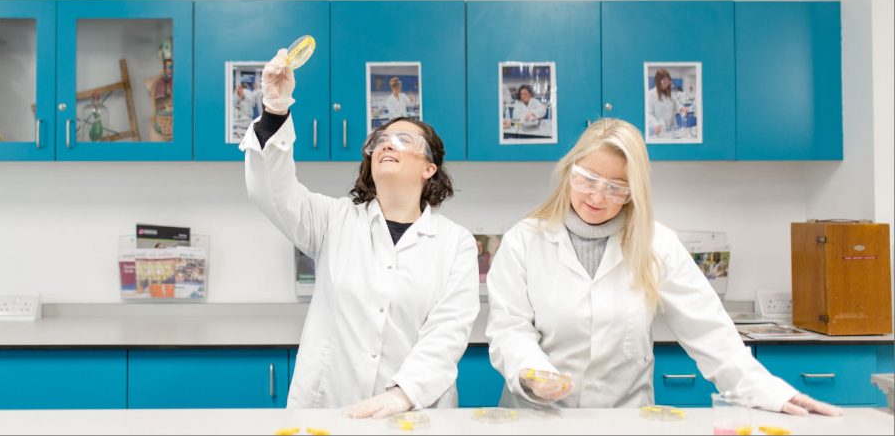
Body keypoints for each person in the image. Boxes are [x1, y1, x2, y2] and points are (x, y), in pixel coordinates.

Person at [484, 118, 841, 416]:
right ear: (568, 172)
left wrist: (772, 393)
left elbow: (711, 332)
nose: (596, 197)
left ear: (634, 191)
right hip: (539, 419)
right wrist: (536, 375)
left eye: (615, 188)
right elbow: (510, 329)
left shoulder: (657, 244)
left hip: (623, 419)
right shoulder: (524, 240)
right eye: (587, 179)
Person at [240, 49, 479, 418]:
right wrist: (274, 107)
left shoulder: (456, 243)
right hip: (330, 408)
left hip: (415, 413)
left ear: (430, 168)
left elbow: (448, 333)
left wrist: (403, 394)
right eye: (381, 140)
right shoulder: (333, 220)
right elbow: (270, 191)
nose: (387, 143)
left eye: (403, 140)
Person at [646, 69, 686, 137]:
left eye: (668, 81)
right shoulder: (651, 94)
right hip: (659, 130)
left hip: (671, 129)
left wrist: (681, 108)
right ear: (658, 82)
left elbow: (677, 104)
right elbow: (649, 113)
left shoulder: (671, 94)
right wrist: (655, 124)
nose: (667, 84)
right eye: (664, 81)